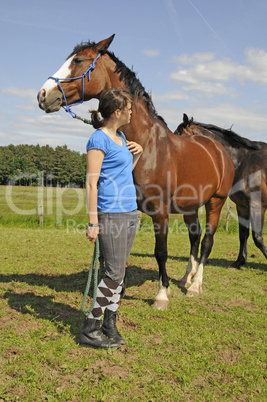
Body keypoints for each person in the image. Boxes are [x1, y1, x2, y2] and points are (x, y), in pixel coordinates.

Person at [79, 88, 143, 349]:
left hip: (130, 211)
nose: (131, 112)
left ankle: (109, 323)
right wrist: (93, 222)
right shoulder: (98, 139)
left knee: (120, 273)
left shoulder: (122, 137)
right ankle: (90, 329)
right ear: (117, 112)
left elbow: (123, 173)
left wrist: (136, 154)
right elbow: (92, 184)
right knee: (114, 274)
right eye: (128, 108)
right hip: (111, 214)